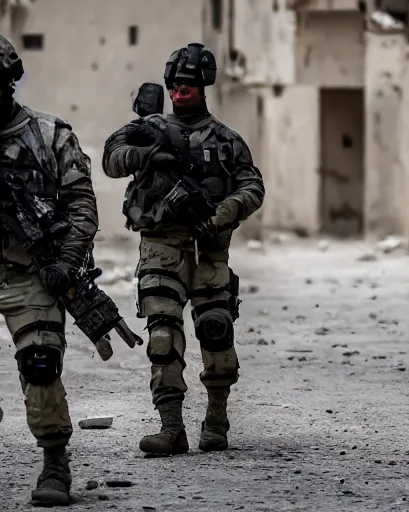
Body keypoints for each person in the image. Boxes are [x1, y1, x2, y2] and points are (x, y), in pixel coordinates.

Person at [102, 42, 264, 456]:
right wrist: (148, 152)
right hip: (160, 247)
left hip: (209, 250)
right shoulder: (150, 127)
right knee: (162, 337)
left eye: (188, 84)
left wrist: (226, 210)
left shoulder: (226, 140)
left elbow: (252, 186)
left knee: (216, 333)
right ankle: (171, 426)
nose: (180, 91)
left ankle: (216, 421)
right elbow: (112, 159)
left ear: (203, 87)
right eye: (174, 84)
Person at [0, 29, 99, 506]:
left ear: (6, 83)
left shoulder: (50, 136)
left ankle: (54, 462)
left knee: (40, 363)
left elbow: (82, 207)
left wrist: (65, 264)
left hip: (29, 274)